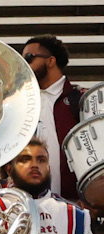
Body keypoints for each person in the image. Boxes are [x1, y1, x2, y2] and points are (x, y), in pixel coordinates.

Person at [23, 36, 89, 201]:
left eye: (29, 58)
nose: (24, 64)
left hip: (73, 204)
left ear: (51, 61)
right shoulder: (20, 102)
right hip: (29, 202)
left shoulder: (80, 99)